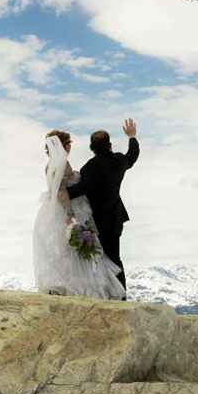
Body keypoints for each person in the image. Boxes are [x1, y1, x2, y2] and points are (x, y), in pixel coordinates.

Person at [32, 130, 126, 299]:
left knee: (69, 253)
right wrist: (70, 215)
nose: (70, 147)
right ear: (62, 145)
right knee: (73, 253)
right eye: (68, 143)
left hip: (67, 210)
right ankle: (79, 291)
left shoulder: (55, 162)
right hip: (69, 211)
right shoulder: (60, 163)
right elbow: (61, 191)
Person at [67, 119, 139, 295]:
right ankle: (120, 296)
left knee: (96, 259)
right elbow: (133, 155)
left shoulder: (90, 167)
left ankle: (104, 294)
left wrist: (59, 191)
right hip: (115, 218)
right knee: (115, 257)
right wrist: (132, 136)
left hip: (95, 221)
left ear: (92, 147)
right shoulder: (120, 161)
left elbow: (80, 190)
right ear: (110, 145)